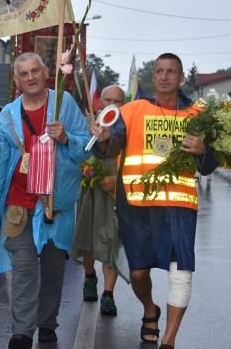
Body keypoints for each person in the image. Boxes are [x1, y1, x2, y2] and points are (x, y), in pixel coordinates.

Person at [91, 53, 217, 349]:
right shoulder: (133, 110)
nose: (163, 76)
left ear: (181, 76)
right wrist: (103, 139)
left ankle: (169, 340)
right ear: (153, 76)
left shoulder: (198, 114)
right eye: (159, 71)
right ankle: (150, 308)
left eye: (170, 71)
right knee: (137, 273)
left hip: (180, 207)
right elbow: (111, 147)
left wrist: (202, 150)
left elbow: (210, 164)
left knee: (181, 273)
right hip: (137, 207)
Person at [0, 52, 90, 349]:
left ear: (45, 73)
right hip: (19, 204)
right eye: (24, 74)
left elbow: (86, 150)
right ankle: (22, 331)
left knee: (54, 269)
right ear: (16, 81)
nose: (30, 78)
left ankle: (47, 322)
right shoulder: (7, 116)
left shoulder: (64, 104)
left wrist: (67, 138)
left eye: (35, 71)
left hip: (56, 206)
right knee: (24, 270)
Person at [71, 85, 129, 316]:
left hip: (116, 192)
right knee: (88, 238)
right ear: (99, 102)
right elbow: (75, 153)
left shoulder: (128, 128)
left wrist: (119, 180)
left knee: (112, 239)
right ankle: (89, 277)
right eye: (108, 99)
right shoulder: (86, 124)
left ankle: (108, 294)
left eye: (119, 101)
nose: (113, 104)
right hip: (89, 191)